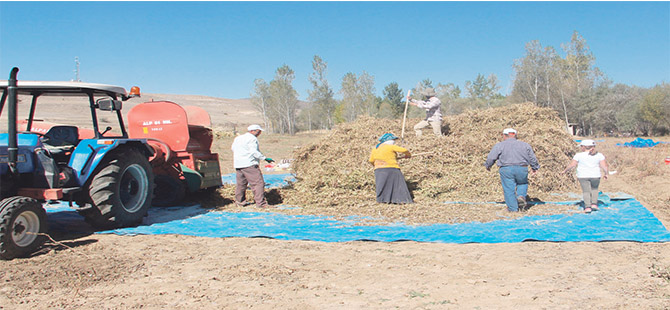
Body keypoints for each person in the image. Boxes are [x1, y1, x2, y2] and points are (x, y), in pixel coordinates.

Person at [484, 128, 540, 212]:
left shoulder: (500, 145)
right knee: (523, 183)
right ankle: (520, 196)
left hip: (506, 169)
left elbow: (491, 157)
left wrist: (488, 165)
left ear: (504, 135)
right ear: (515, 136)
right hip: (522, 168)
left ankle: (513, 209)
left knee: (509, 188)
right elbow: (532, 157)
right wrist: (534, 167)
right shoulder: (525, 145)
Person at [231, 124, 274, 208]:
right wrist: (264, 158)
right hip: (249, 164)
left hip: (239, 164)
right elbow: (254, 152)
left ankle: (239, 202)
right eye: (259, 131)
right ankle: (261, 204)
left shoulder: (238, 138)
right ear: (253, 131)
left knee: (241, 184)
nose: (259, 133)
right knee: (258, 183)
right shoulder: (252, 139)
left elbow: (233, 148)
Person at [562, 139, 609, 213]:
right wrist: (606, 173)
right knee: (594, 189)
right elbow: (604, 165)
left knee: (586, 191)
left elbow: (572, 165)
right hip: (595, 175)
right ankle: (594, 204)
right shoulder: (599, 155)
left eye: (581, 146)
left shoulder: (578, 155)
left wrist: (565, 171)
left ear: (583, 147)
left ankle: (587, 207)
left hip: (583, 176)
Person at [368, 133, 413, 204]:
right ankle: (401, 200)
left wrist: (377, 165)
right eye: (393, 140)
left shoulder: (375, 148)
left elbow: (371, 160)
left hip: (378, 170)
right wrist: (408, 155)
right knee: (397, 184)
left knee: (382, 185)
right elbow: (404, 150)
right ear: (389, 140)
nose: (394, 141)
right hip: (391, 168)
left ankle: (382, 200)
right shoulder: (390, 147)